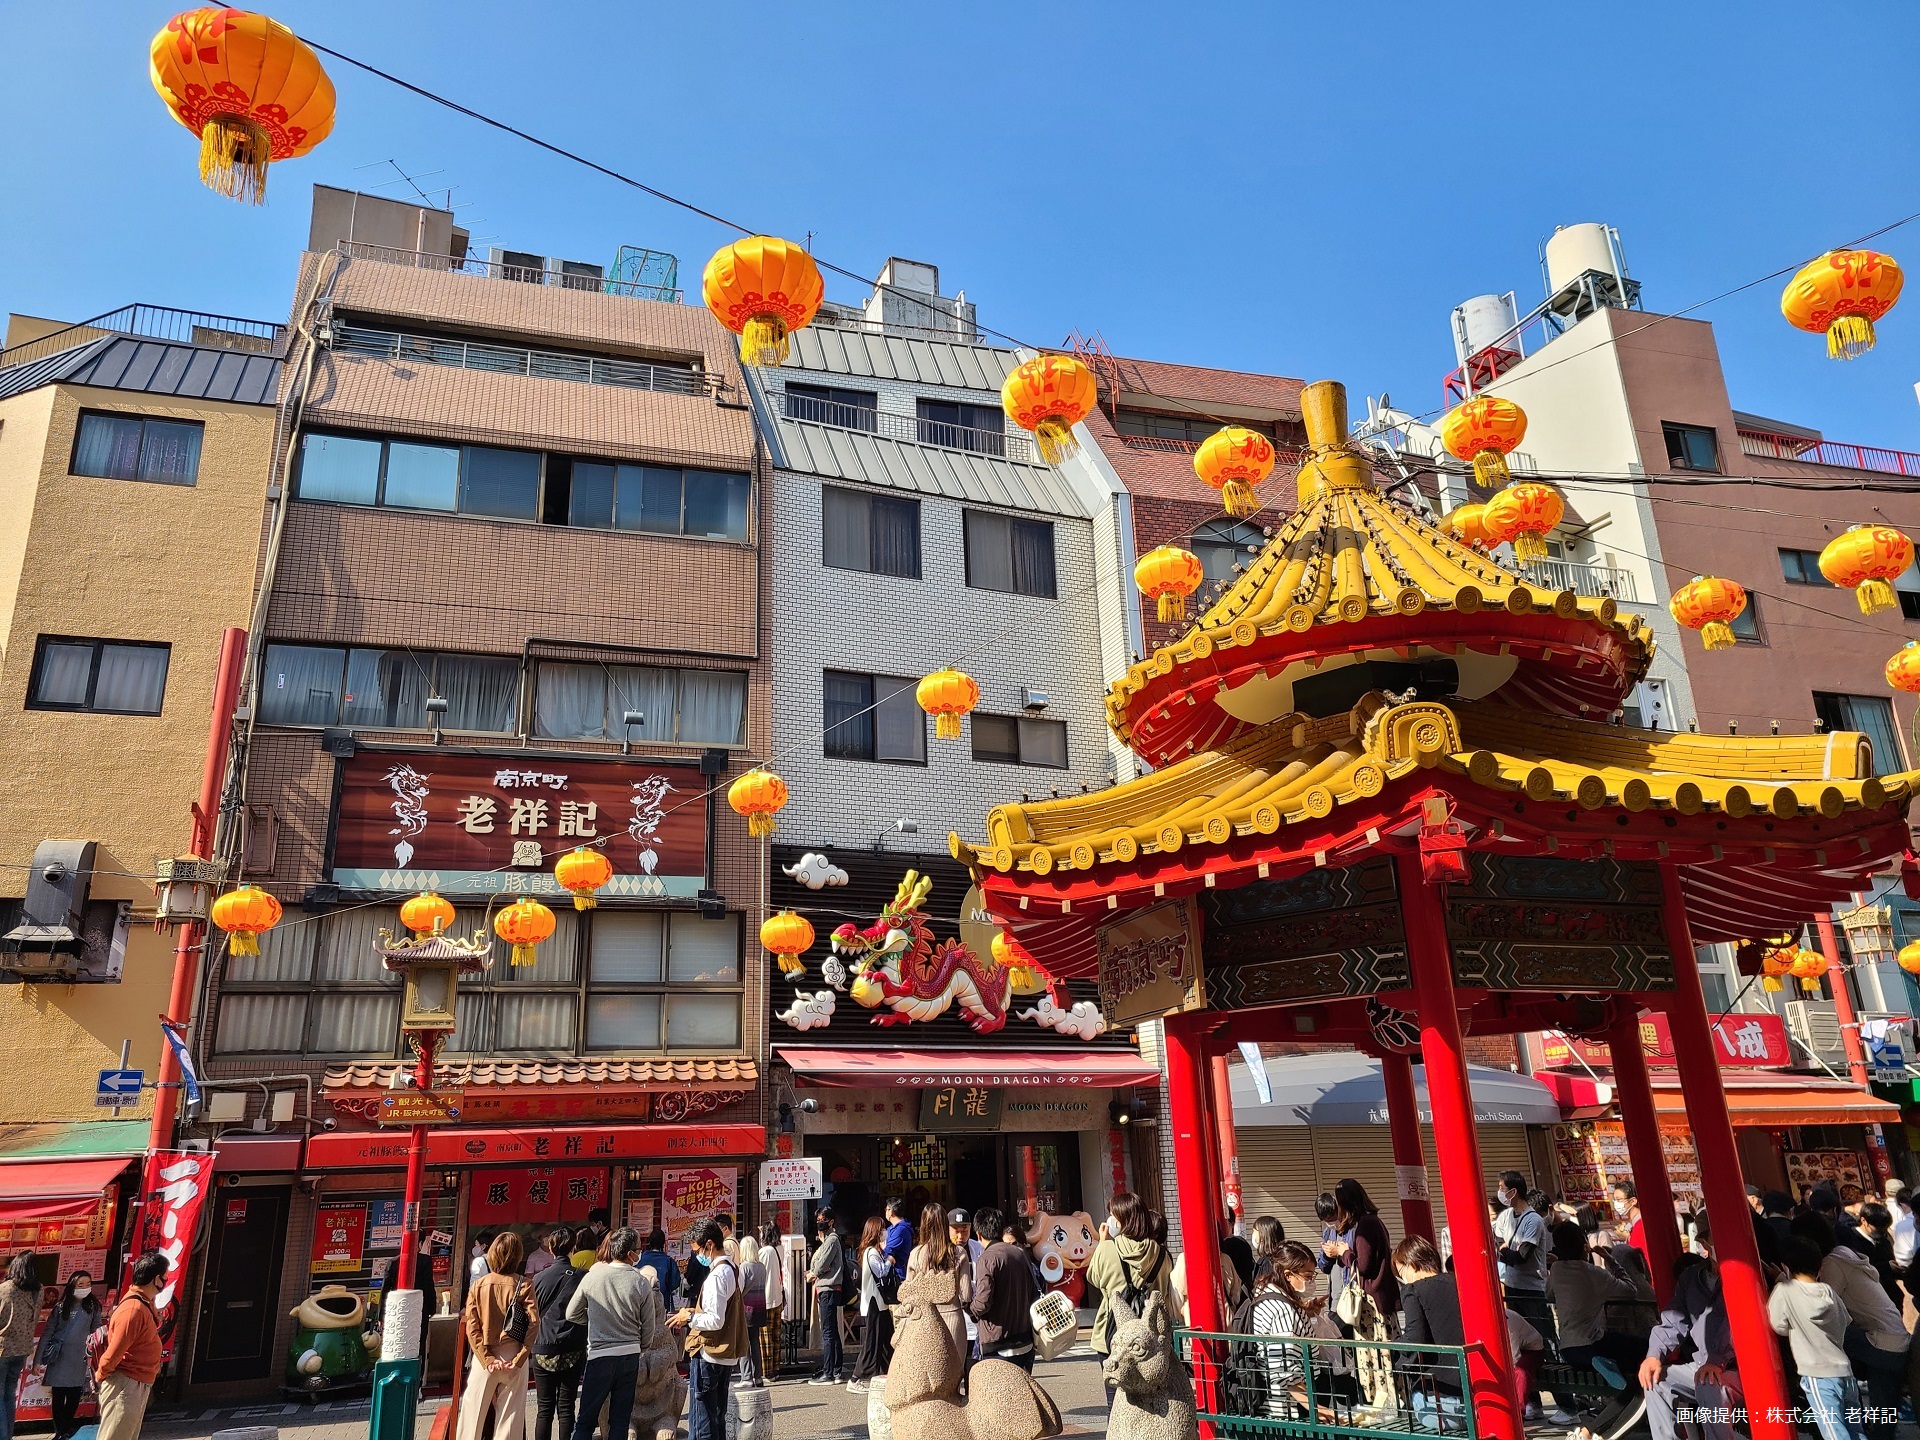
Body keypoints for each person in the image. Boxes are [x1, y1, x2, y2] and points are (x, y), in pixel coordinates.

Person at [1794, 1211, 1910, 1440]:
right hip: (1895, 1341)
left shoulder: (1831, 1264)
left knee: (1818, 1334)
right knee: (1883, 1417)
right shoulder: (1846, 1254)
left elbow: (1819, 1309)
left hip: (1878, 1343)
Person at [1639, 1212, 1741, 1440]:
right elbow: (1673, 1320)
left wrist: (1717, 1360)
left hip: (1739, 1366)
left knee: (1708, 1384)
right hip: (1703, 1364)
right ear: (1703, 1242)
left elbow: (1738, 1326)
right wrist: (1654, 1354)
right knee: (1655, 1382)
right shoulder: (1690, 1278)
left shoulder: (1746, 1271)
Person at [564, 1227, 658, 1440]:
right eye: (637, 1249)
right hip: (629, 1354)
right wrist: (642, 1345)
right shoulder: (640, 1281)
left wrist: (594, 1321)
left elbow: (571, 1313)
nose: (639, 1253)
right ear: (629, 1254)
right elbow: (648, 1325)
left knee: (586, 1420)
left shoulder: (593, 1276)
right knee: (620, 1420)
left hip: (600, 1354)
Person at [1771, 1235, 1868, 1440]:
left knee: (1833, 1431)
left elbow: (1778, 1326)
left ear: (1785, 1267)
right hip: (1845, 1371)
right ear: (1820, 1266)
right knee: (1855, 1430)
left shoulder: (1784, 1291)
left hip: (1818, 1375)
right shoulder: (1828, 1291)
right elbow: (1844, 1321)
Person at [1544, 1220, 1654, 1378]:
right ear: (1585, 1247)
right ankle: (1622, 1376)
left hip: (1567, 1349)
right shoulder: (1594, 1273)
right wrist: (1611, 1260)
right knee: (1642, 1346)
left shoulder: (1556, 1269)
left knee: (1616, 1346)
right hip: (1592, 1343)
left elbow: (1548, 1295)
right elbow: (1631, 1291)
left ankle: (1607, 1365)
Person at [670, 1220, 745, 1440]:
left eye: (697, 1250)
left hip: (709, 1355)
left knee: (702, 1424)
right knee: (716, 1419)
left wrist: (689, 1316)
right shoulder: (731, 1268)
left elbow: (714, 1320)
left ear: (709, 1245)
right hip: (723, 1355)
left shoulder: (716, 1276)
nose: (697, 1256)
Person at [460, 1231, 539, 1440]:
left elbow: (472, 1326)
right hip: (514, 1353)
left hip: (484, 1355)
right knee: (510, 1419)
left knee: (472, 1416)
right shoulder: (524, 1284)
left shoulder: (479, 1285)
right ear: (518, 1256)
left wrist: (486, 1358)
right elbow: (533, 1324)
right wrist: (521, 1357)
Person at [1088, 1192, 1177, 1364]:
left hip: (1112, 1334)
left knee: (1115, 1388)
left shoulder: (1107, 1249)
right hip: (1151, 1337)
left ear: (1123, 1220)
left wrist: (1102, 1243)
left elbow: (1094, 1279)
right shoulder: (1162, 1255)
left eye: (1113, 1216)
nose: (1110, 1221)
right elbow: (1166, 1293)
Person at [1394, 1236, 1463, 1430]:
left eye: (1400, 1271)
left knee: (1415, 1399)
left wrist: (1392, 1352)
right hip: (1480, 1397)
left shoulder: (1413, 1290)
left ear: (1411, 1264)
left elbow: (1415, 1338)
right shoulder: (1458, 1282)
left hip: (1441, 1405)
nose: (1401, 1277)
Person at [94, 1251, 166, 1440]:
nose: (166, 1280)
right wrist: (101, 1375)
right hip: (125, 1383)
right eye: (165, 1276)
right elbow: (114, 1352)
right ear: (156, 1279)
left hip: (135, 1382)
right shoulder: (133, 1309)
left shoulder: (144, 1303)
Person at [529, 1227, 587, 1440]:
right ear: (574, 1248)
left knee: (544, 1408)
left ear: (551, 1249)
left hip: (542, 1345)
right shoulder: (583, 1277)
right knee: (566, 1407)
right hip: (572, 1345)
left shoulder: (538, 1279)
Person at [969, 1207, 1038, 1373]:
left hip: (997, 1342)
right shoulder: (1020, 1253)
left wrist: (970, 1308)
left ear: (978, 1234)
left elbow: (983, 1302)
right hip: (1025, 1339)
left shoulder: (987, 1258)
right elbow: (1034, 1291)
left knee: (998, 1396)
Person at [908, 1202, 974, 1369]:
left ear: (923, 1225)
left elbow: (909, 1295)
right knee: (954, 1374)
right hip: (953, 1318)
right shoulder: (959, 1253)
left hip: (925, 1321)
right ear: (946, 1225)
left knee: (930, 1372)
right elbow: (966, 1295)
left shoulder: (915, 1254)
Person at [35, 1270, 99, 1440]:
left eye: (88, 1284)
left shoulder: (93, 1306)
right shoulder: (60, 1307)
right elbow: (48, 1333)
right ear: (72, 1286)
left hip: (79, 1358)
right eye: (80, 1285)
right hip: (59, 1357)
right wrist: (37, 1360)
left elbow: (97, 1331)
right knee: (58, 1395)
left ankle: (66, 1429)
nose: (85, 1288)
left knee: (73, 1395)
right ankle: (60, 1431)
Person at [1493, 1172, 1552, 1349]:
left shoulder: (1533, 1220)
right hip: (1512, 1284)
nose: (1499, 1192)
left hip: (1531, 1288)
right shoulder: (1505, 1216)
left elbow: (1521, 1257)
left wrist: (1502, 1251)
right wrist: (1504, 1250)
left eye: (1502, 1188)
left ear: (1513, 1191)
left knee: (1540, 1333)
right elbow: (1495, 1240)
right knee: (1517, 1336)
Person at [849, 1216, 895, 1393]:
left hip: (879, 1304)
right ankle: (855, 1378)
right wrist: (890, 1261)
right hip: (873, 1304)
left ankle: (889, 1374)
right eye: (882, 1229)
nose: (885, 1233)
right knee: (872, 1342)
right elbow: (881, 1272)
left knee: (887, 1340)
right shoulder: (871, 1252)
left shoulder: (874, 1252)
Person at [0, 1252, 40, 1440]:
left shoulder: (5, 1289)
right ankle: (7, 1434)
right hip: (22, 1349)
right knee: (9, 1394)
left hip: (3, 1348)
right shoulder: (39, 1290)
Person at [806, 1208, 846, 1384]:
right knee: (833, 1331)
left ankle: (829, 1373)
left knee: (828, 1332)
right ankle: (836, 1370)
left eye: (823, 1219)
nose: (819, 1222)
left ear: (831, 1221)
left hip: (828, 1288)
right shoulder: (826, 1241)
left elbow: (821, 1264)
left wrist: (813, 1272)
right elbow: (821, 1265)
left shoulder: (831, 1240)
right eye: (818, 1219)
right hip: (828, 1288)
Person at [947, 1208, 984, 1370]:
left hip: (973, 1315)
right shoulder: (943, 1251)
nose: (960, 1237)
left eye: (965, 1231)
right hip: (952, 1314)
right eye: (956, 1231)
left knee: (972, 1362)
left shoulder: (978, 1248)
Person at [1856, 1202, 1902, 1306]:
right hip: (1871, 1298)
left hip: (1891, 1294)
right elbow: (1861, 1269)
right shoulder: (1853, 1240)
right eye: (1879, 1229)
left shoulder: (1883, 1239)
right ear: (1864, 1221)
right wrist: (1886, 1266)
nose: (1882, 1232)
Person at [736, 1236, 767, 1387]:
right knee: (755, 1342)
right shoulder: (761, 1267)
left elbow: (739, 1289)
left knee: (744, 1343)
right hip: (760, 1308)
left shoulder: (743, 1267)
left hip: (746, 1309)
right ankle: (758, 1376)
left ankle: (746, 1377)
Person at [758, 1222, 785, 1382]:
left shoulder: (765, 1251)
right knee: (775, 1335)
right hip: (778, 1297)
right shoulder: (779, 1249)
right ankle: (775, 1369)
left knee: (765, 1338)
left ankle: (767, 1371)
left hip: (767, 1298)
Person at [637, 1228, 681, 1309]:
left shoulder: (639, 1259)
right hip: (662, 1304)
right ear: (663, 1243)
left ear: (649, 1241)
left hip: (641, 1303)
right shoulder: (668, 1261)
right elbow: (675, 1283)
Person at [883, 1198, 914, 1294]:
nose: (885, 1212)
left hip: (898, 1277)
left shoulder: (901, 1229)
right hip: (891, 1275)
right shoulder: (891, 1228)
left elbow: (887, 1250)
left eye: (886, 1209)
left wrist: (883, 1247)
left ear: (891, 1212)